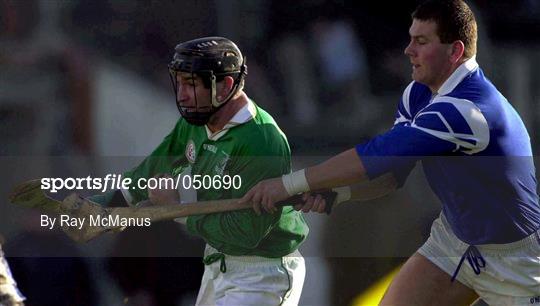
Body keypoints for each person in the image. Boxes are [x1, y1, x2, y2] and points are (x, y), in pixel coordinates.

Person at [241, 1, 540, 305]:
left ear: (455, 52)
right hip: (454, 240)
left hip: (512, 260)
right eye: (411, 38)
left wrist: (290, 183)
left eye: (421, 42)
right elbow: (390, 177)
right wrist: (338, 195)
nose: (408, 50)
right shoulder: (418, 92)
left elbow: (377, 156)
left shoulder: (468, 110)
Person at [91, 37, 308, 306]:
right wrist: (103, 207)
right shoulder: (198, 121)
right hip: (218, 263)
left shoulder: (261, 141)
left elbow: (246, 233)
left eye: (191, 84)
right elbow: (156, 165)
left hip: (261, 272)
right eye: (179, 82)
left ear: (225, 86)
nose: (181, 94)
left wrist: (176, 208)